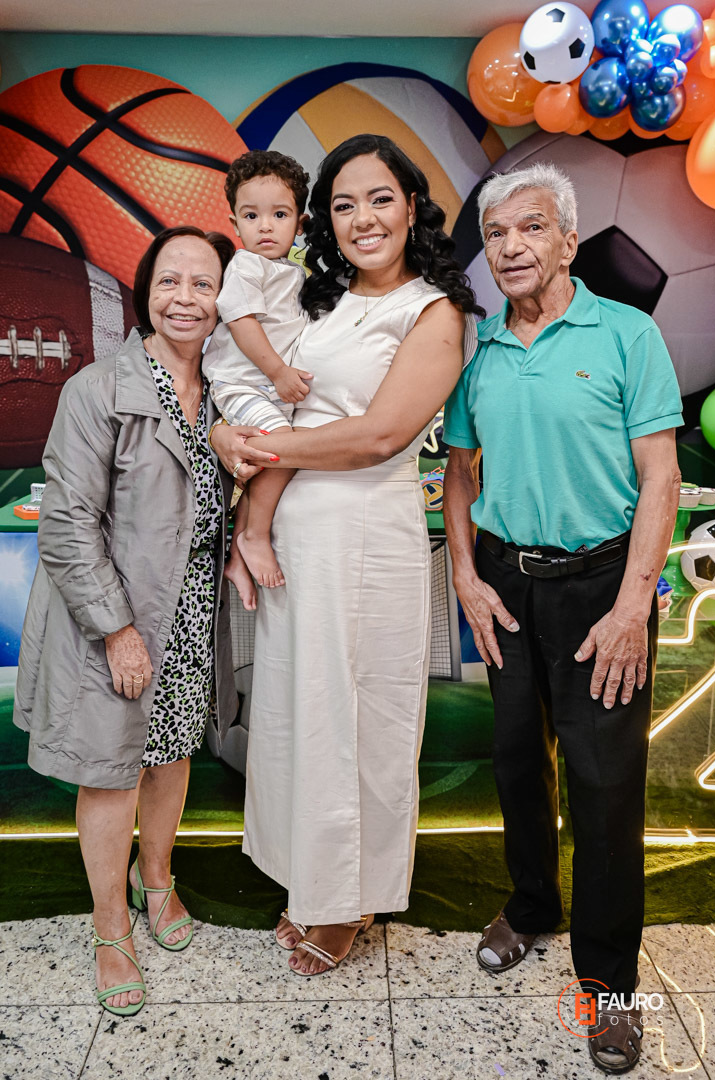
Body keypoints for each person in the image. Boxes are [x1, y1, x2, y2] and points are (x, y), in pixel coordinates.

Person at [211, 133, 481, 977]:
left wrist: (259, 446)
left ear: (411, 206)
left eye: (379, 198)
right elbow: (259, 383)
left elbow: (378, 436)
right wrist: (230, 438)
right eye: (342, 204)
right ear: (321, 221)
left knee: (361, 720)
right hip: (297, 540)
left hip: (367, 541)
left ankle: (348, 900)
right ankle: (309, 879)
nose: (362, 217)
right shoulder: (316, 300)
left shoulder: (432, 311)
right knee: (299, 712)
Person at [442, 163, 682, 1075]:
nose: (510, 247)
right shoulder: (479, 350)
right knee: (515, 763)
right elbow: (458, 471)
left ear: (569, 241)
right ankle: (532, 905)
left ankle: (609, 986)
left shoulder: (626, 335)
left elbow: (659, 476)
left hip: (600, 589)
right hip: (506, 582)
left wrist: (631, 604)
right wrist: (465, 576)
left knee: (604, 784)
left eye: (530, 227)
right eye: (495, 234)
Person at [13, 226, 240, 1017]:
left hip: (191, 612)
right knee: (111, 770)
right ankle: (110, 925)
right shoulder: (99, 388)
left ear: (224, 299)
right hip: (116, 618)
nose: (186, 298)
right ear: (145, 291)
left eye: (204, 284)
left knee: (171, 753)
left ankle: (157, 881)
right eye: (170, 281)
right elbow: (66, 523)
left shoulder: (225, 390)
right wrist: (117, 629)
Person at [203, 150, 313, 609]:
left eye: (279, 215)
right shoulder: (247, 266)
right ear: (235, 223)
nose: (265, 227)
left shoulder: (292, 271)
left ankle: (235, 553)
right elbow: (242, 322)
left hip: (270, 388)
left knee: (271, 459)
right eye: (251, 216)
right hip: (244, 384)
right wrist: (279, 373)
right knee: (284, 449)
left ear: (300, 223)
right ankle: (254, 535)